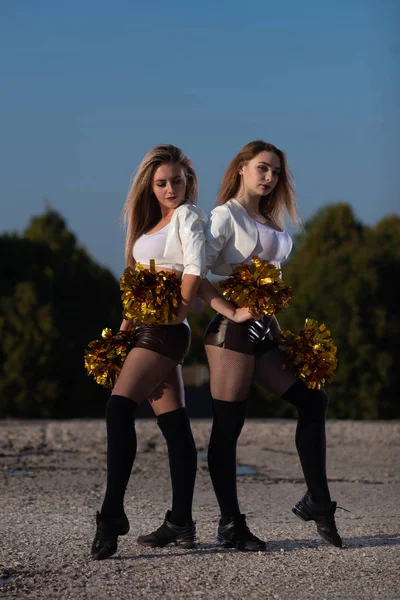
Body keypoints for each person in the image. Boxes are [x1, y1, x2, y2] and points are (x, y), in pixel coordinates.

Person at [197, 140, 343, 551]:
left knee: (314, 401)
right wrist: (232, 311)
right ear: (241, 168)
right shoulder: (225, 216)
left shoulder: (268, 218)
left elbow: (269, 290)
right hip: (231, 335)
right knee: (229, 427)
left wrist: (281, 336)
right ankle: (230, 525)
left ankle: (318, 500)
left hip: (264, 333)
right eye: (262, 168)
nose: (269, 177)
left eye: (276, 172)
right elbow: (195, 277)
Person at [91, 144, 207, 560]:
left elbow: (195, 267)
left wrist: (178, 311)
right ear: (150, 186)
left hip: (165, 332)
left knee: (118, 408)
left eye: (177, 181)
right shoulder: (151, 225)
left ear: (187, 181)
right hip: (142, 329)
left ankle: (111, 514)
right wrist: (121, 334)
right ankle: (181, 521)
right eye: (161, 183)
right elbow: (136, 289)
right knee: (175, 426)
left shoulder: (189, 216)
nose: (170, 188)